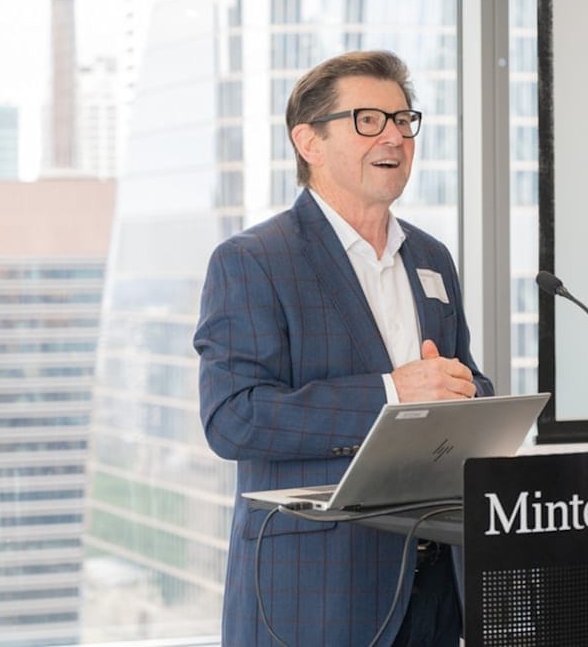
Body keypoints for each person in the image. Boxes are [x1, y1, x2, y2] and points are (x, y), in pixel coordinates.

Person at [195, 49, 494, 646]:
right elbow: (233, 419)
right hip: (317, 595)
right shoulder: (253, 260)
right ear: (309, 141)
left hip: (438, 586)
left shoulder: (432, 258)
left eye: (403, 120)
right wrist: (391, 394)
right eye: (368, 120)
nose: (394, 137)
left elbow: (462, 380)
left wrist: (473, 398)